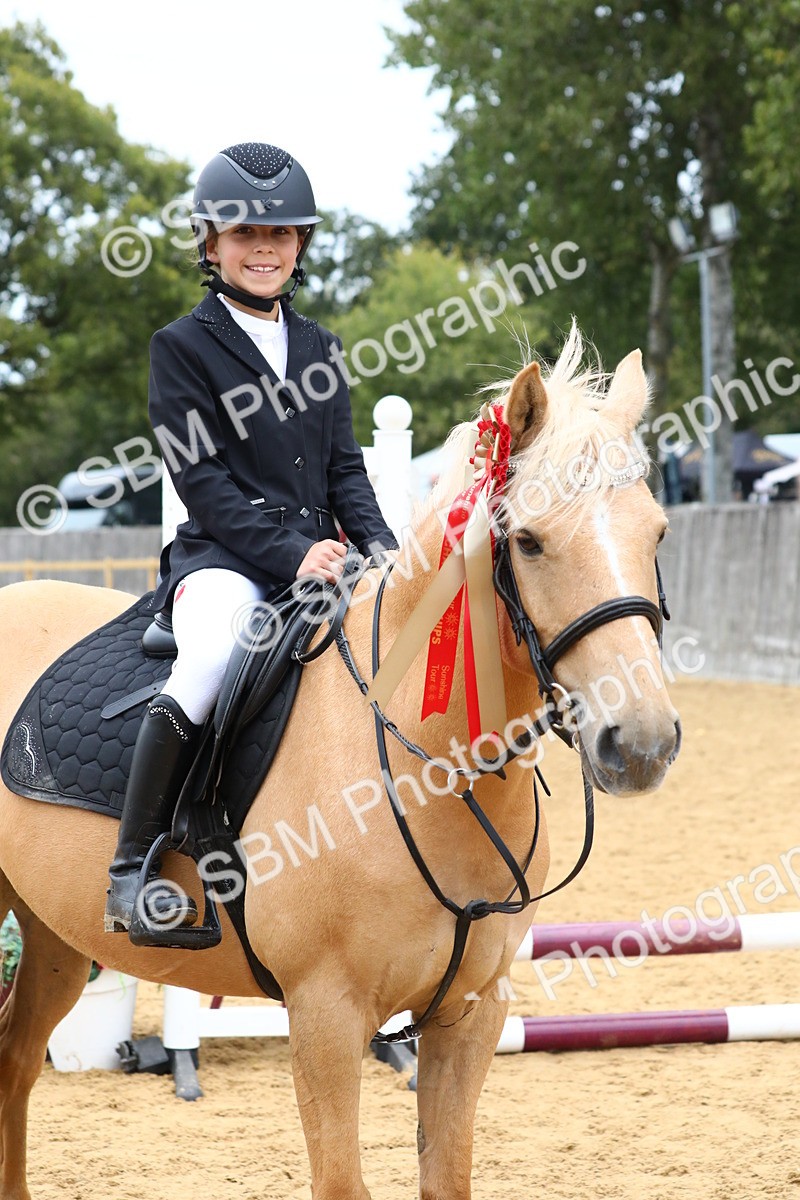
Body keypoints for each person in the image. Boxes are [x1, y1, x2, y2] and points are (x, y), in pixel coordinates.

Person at [105, 142, 398, 936]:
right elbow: (201, 482)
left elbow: (345, 472)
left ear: (300, 244)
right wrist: (291, 553)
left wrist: (386, 555)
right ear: (211, 244)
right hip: (224, 562)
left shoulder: (321, 346)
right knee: (209, 660)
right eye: (244, 234)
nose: (263, 249)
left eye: (279, 234)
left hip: (324, 561)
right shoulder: (181, 346)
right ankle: (131, 871)